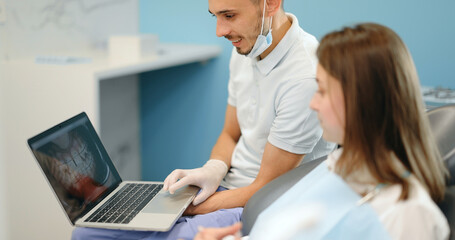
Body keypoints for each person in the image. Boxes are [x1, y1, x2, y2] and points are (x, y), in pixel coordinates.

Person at [72, 0, 335, 239]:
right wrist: (213, 168)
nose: (220, 31)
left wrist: (184, 207)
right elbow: (230, 134)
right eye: (216, 17)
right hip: (225, 188)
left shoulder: (303, 77)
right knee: (87, 233)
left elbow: (266, 188)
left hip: (255, 205)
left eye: (229, 15)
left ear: (272, 4)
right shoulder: (246, 46)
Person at [195, 23, 450, 240]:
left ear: (363, 101)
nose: (313, 103)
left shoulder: (409, 215)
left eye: (323, 91)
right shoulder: (338, 167)